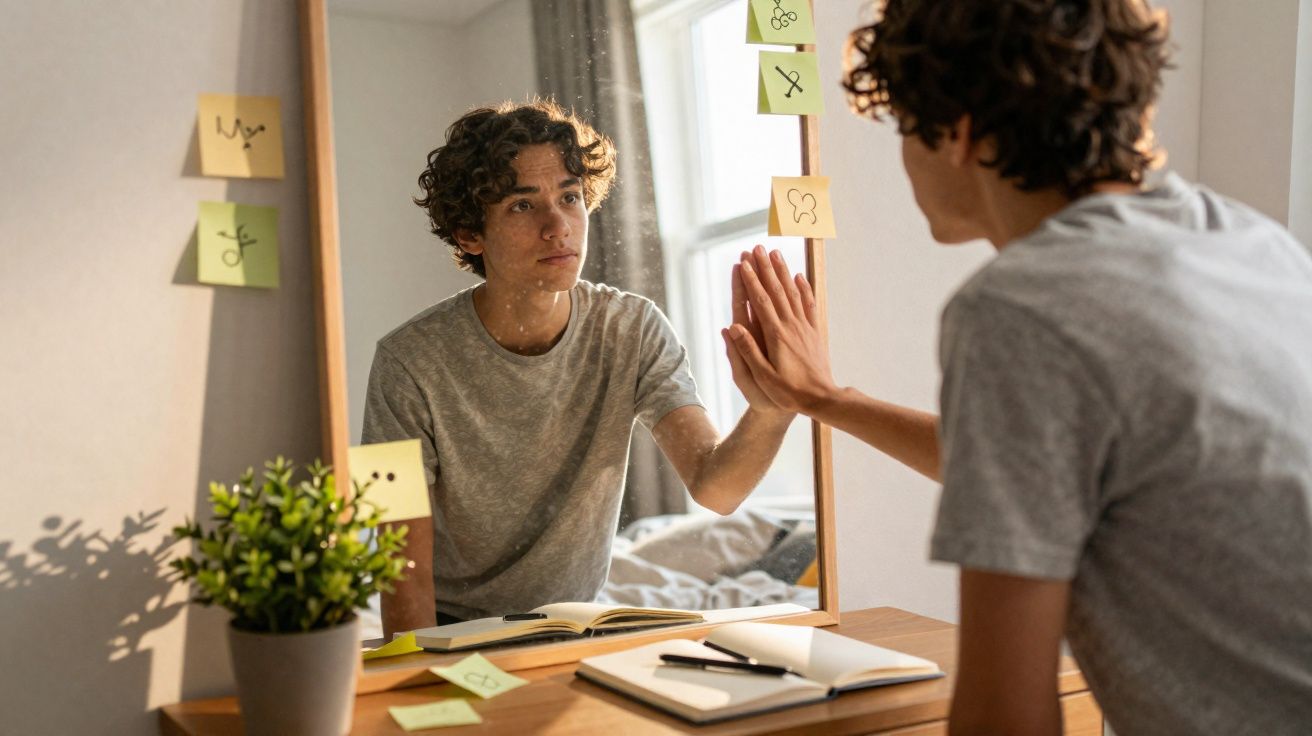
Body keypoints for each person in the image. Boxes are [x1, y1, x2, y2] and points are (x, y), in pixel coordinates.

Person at [720, 1, 1312, 734]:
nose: (905, 154)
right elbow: (1078, 463)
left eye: (905, 127)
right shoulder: (1247, 243)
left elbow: (1007, 715)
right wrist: (828, 399)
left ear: (960, 132)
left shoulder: (1023, 308)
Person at [363, 99, 796, 635]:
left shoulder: (632, 327)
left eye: (570, 197)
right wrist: (425, 688)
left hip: (576, 621)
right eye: (523, 206)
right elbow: (399, 563)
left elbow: (716, 490)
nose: (558, 226)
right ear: (470, 235)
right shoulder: (406, 362)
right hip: (453, 628)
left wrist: (771, 409)